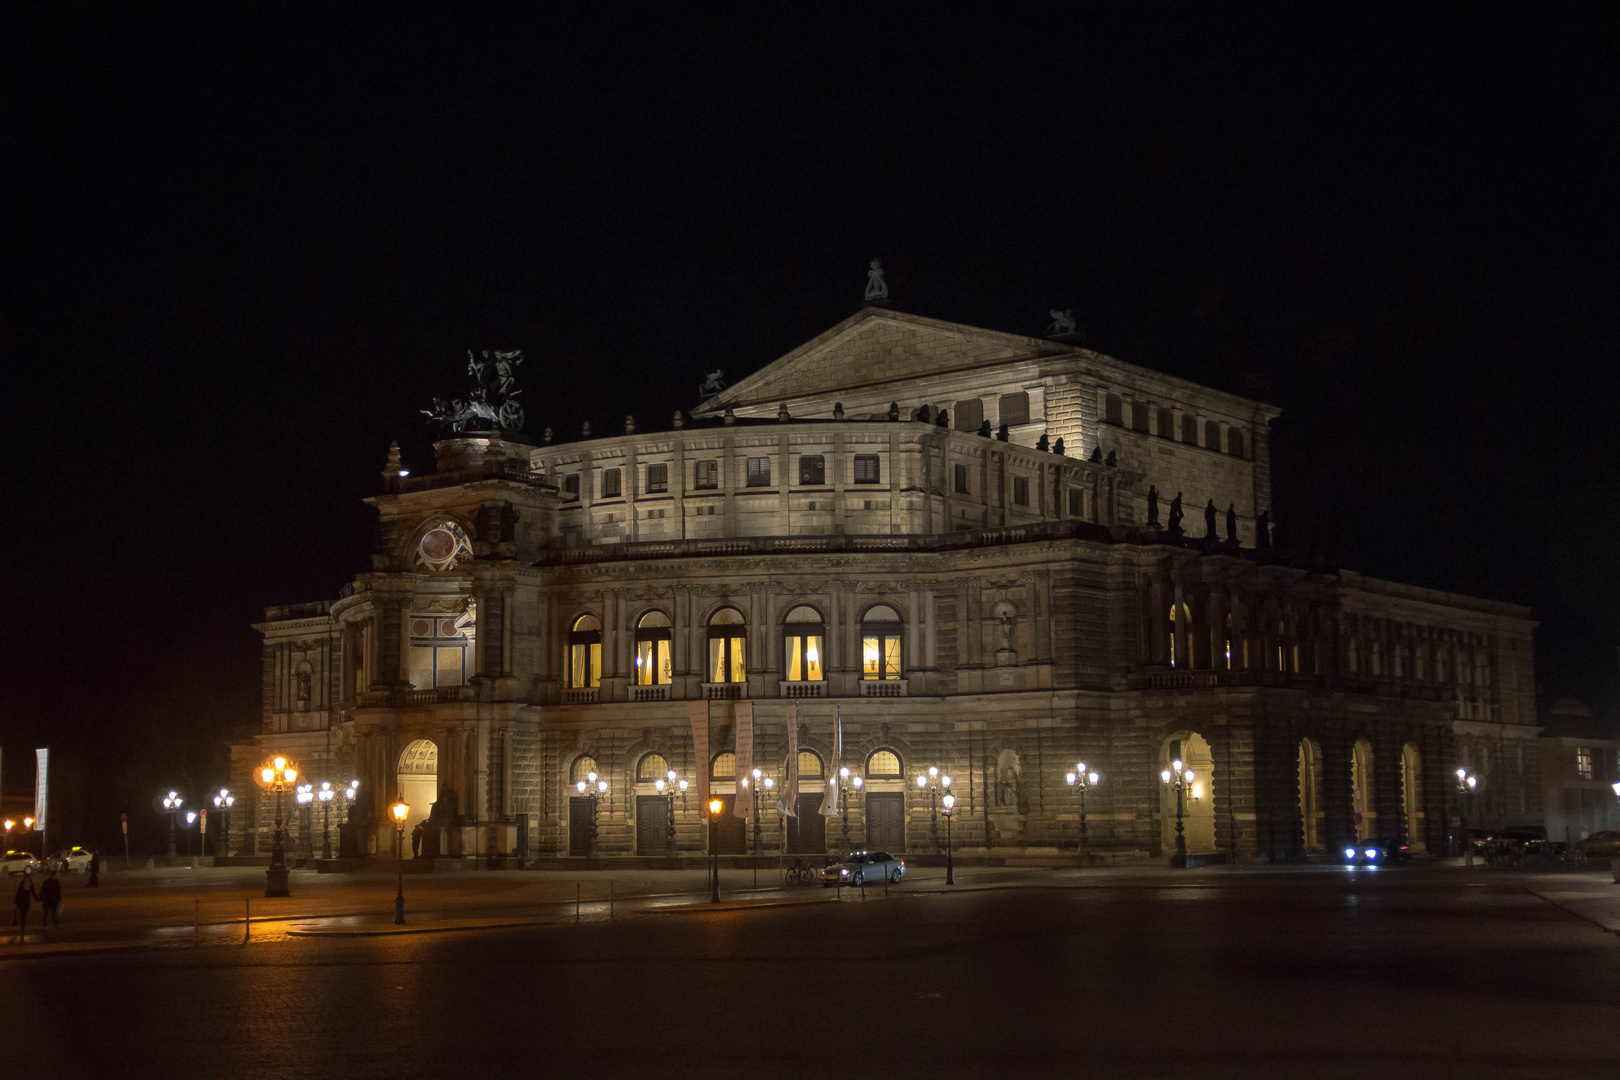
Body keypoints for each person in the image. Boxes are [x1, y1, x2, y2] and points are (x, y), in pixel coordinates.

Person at [12, 872, 38, 939]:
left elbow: (33, 893)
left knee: (23, 916)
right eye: (26, 879)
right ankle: (21, 927)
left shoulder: (30, 885)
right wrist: (15, 901)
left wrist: (38, 899)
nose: (27, 880)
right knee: (21, 915)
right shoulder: (21, 885)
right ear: (24, 879)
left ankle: (22, 928)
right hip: (20, 902)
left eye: (28, 879)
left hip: (26, 902)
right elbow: (18, 894)